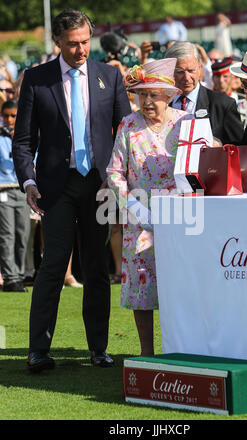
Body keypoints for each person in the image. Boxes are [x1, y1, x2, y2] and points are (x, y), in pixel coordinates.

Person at [12, 9, 131, 373]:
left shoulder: (109, 76)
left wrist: (119, 178)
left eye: (85, 42)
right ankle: (38, 350)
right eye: (73, 44)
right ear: (57, 42)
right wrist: (29, 182)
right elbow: (24, 141)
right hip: (55, 187)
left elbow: (125, 133)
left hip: (98, 186)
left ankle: (99, 349)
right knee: (52, 266)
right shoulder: (36, 79)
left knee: (97, 268)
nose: (81, 50)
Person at [106, 58, 192, 356]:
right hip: (139, 220)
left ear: (167, 95)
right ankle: (147, 352)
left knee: (179, 285)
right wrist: (135, 208)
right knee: (143, 286)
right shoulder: (128, 125)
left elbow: (198, 166)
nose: (147, 101)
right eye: (142, 94)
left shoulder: (185, 122)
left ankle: (179, 348)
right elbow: (114, 171)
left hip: (181, 216)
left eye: (153, 94)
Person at [165, 41, 244, 146]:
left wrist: (219, 146)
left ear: (199, 68)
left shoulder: (223, 104)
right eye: (180, 72)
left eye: (191, 70)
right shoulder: (162, 104)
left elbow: (240, 147)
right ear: (171, 72)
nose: (187, 78)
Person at [0, 100, 30, 292]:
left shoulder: (27, 134)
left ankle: (19, 275)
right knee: (7, 235)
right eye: (6, 116)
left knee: (23, 234)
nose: (10, 120)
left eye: (13, 116)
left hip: (24, 191)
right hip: (3, 191)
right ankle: (10, 277)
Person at [212, 57, 247, 127]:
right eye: (217, 76)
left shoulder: (244, 100)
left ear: (232, 77)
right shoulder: (207, 101)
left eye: (225, 76)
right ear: (212, 78)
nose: (221, 81)